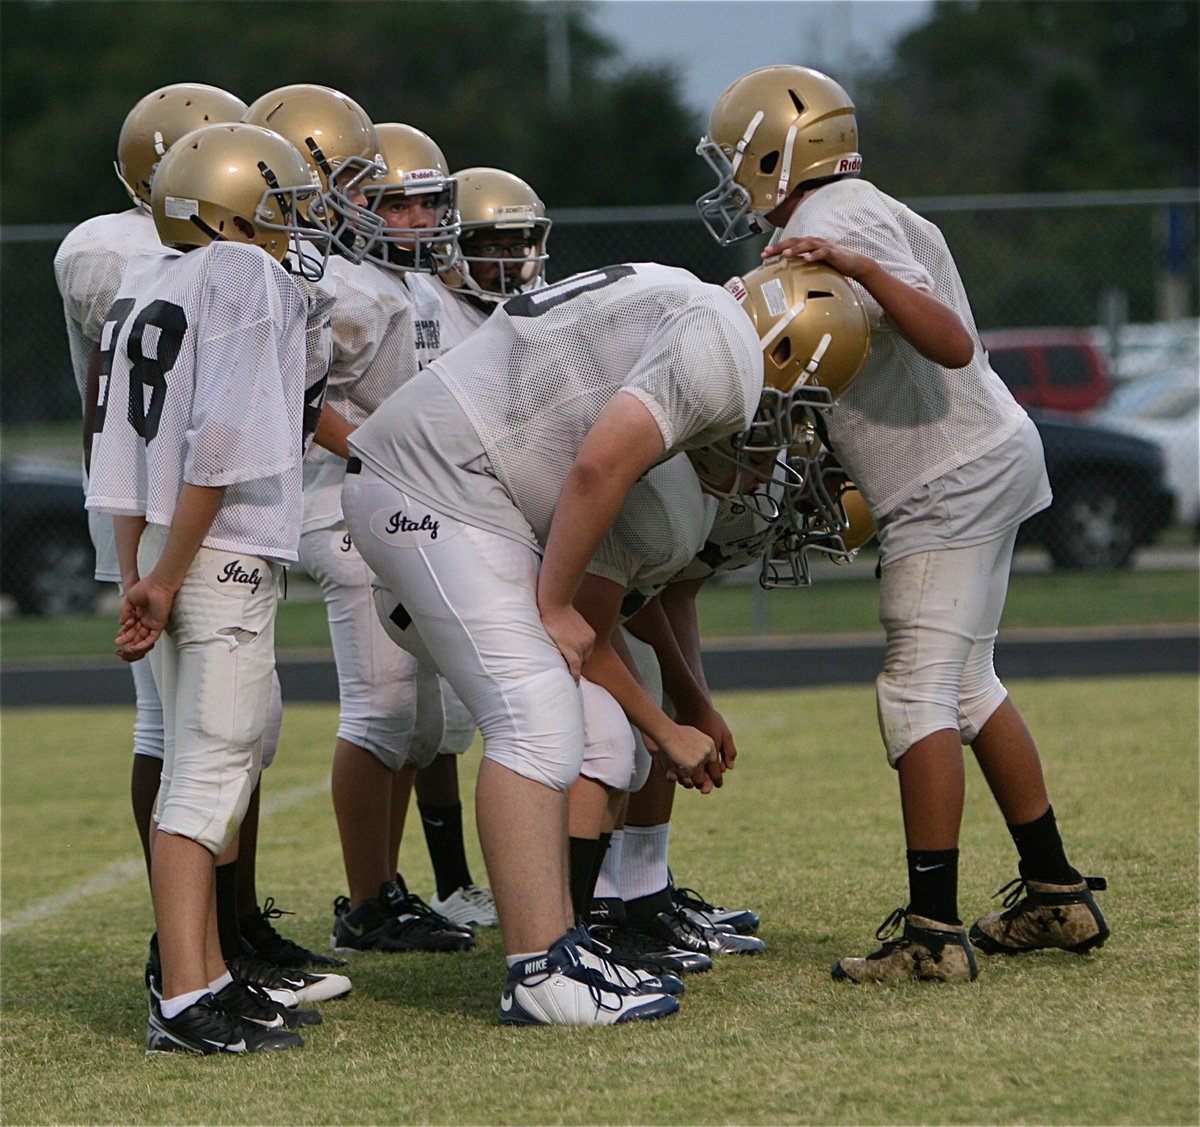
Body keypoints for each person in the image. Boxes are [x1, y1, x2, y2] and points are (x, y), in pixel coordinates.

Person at [341, 254, 851, 1024]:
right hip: (436, 481)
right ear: (786, 352)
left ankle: (558, 946)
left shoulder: (687, 296)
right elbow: (600, 464)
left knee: (552, 714)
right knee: (535, 708)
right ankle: (541, 968)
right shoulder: (725, 350)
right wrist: (553, 602)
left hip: (455, 477)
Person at [697, 63, 1108, 982]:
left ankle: (933, 932)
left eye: (739, 161)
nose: (733, 181)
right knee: (966, 684)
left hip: (950, 478)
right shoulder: (862, 206)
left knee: (915, 692)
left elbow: (951, 341)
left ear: (777, 151)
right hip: (986, 450)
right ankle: (1055, 893)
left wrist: (859, 271)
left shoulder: (828, 227)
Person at [86, 121, 336, 1053]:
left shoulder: (147, 279)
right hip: (214, 549)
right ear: (234, 203)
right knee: (212, 766)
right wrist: (176, 568)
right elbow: (223, 442)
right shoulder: (243, 275)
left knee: (199, 761)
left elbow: (114, 452)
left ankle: (208, 975)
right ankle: (187, 998)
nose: (291, 226)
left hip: (158, 538)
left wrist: (142, 566)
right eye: (277, 205)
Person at [243, 90, 485, 950]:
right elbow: (300, 400)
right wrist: (383, 456)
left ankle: (387, 888)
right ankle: (366, 900)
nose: (420, 215)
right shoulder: (336, 284)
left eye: (428, 199)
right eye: (396, 200)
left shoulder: (408, 281)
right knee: (382, 706)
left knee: (419, 717)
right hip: (335, 502)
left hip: (393, 502)